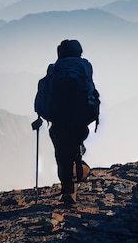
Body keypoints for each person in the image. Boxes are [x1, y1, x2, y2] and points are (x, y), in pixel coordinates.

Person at [42, 39, 99, 205]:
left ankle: (68, 188)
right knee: (73, 148)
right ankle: (78, 168)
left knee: (61, 154)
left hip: (58, 118)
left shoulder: (54, 69)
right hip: (81, 117)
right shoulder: (85, 67)